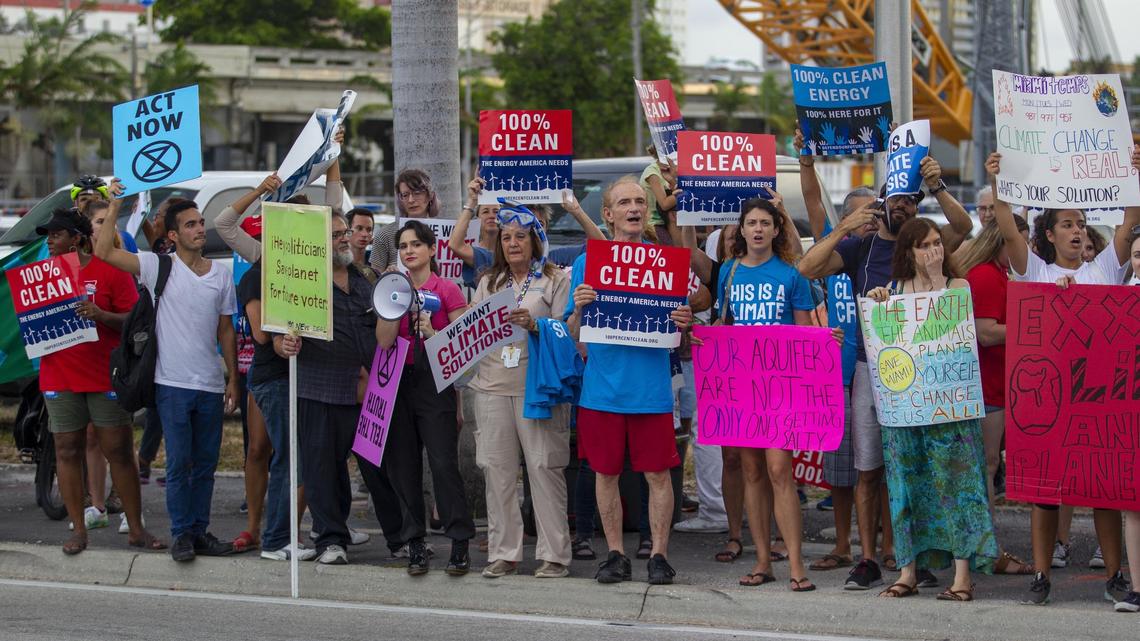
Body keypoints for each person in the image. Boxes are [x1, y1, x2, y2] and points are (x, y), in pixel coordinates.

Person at [797, 148, 974, 590]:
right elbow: (806, 267)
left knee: (916, 467)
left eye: (910, 199)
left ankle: (914, 555)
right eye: (895, 197)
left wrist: (937, 185)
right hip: (868, 371)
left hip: (921, 376)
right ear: (881, 201)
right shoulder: (863, 246)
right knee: (869, 468)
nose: (902, 204)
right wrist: (843, 228)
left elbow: (965, 228)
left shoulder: (924, 244)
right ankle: (870, 558)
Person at [985, 151, 1140, 607]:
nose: (1077, 230)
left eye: (1080, 223)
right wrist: (999, 183)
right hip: (1049, 397)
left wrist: (1133, 171)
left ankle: (1115, 575)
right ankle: (1040, 575)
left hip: (1098, 397)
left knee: (1105, 491)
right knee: (1045, 493)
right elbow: (1006, 225)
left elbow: (1131, 217)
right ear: (1049, 235)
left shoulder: (1105, 269)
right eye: (1067, 224)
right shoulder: (1035, 271)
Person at [96, 182, 239, 563]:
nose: (200, 229)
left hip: (209, 384)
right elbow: (104, 250)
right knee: (179, 464)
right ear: (173, 235)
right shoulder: (157, 265)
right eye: (191, 224)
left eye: (201, 223)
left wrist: (232, 379)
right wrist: (114, 207)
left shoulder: (221, 276)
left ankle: (199, 530)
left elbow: (225, 330)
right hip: (171, 385)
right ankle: (181, 535)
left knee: (206, 465)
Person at [563, 175, 694, 586]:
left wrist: (684, 321)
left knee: (658, 476)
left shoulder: (664, 262)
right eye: (624, 203)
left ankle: (659, 555)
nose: (635, 208)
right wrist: (579, 310)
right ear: (608, 214)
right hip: (602, 392)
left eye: (640, 201)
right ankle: (616, 554)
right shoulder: (588, 262)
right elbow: (571, 331)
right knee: (605, 474)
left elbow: (681, 334)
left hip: (651, 391)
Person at [864, 217, 998, 601]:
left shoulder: (958, 287)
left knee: (956, 488)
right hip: (907, 412)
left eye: (937, 243)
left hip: (949, 412)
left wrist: (937, 275)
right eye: (924, 245)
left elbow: (951, 325)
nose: (933, 250)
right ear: (909, 251)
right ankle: (908, 570)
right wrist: (879, 304)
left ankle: (962, 576)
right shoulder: (893, 290)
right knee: (906, 488)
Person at [36, 208, 164, 555]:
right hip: (59, 375)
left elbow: (135, 320)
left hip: (104, 375)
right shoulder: (38, 278)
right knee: (66, 450)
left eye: (56, 234)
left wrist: (101, 315)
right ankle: (79, 529)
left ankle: (136, 529)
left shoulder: (109, 270)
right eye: (47, 235)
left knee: (119, 451)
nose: (49, 241)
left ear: (76, 238)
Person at [713, 198, 819, 592]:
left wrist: (824, 341)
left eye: (765, 223)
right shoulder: (729, 271)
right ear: (741, 230)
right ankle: (762, 561)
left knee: (779, 470)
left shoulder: (793, 273)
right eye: (751, 223)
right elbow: (723, 325)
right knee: (752, 470)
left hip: (779, 388)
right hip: (740, 387)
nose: (757, 229)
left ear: (777, 230)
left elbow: (805, 331)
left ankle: (795, 563)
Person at [467, 204, 573, 579]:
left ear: (535, 241)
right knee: (496, 470)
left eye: (521, 236)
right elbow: (472, 333)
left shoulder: (556, 278)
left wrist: (536, 325)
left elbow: (569, 332)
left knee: (544, 468)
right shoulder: (488, 282)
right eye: (506, 237)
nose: (513, 243)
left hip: (537, 388)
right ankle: (504, 552)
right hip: (492, 387)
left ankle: (554, 554)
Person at [377, 220, 476, 576]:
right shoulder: (393, 289)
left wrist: (432, 331)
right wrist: (394, 302)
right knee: (403, 467)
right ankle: (415, 544)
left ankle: (459, 541)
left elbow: (461, 345)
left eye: (416, 244)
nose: (409, 251)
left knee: (443, 464)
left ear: (432, 250)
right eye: (403, 246)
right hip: (398, 384)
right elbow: (384, 341)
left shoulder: (446, 289)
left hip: (434, 382)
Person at [371, 169, 441, 271]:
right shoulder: (385, 235)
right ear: (400, 200)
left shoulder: (446, 233)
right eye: (405, 195)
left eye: (417, 193)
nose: (411, 200)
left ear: (430, 195)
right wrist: (387, 276)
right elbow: (374, 280)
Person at [448, 182, 499, 289]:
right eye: (485, 212)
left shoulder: (510, 251)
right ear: (477, 218)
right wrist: (472, 201)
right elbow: (455, 245)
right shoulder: (478, 253)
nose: (491, 216)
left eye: (496, 211)